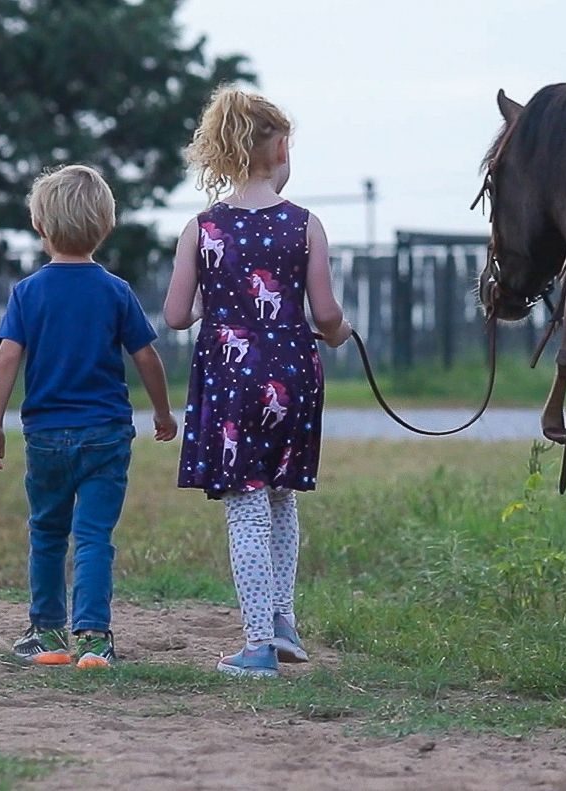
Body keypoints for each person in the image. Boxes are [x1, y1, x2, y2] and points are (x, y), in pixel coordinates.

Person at [165, 87, 351, 677]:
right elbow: (326, 314)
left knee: (244, 506)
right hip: (294, 376)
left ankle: (257, 646)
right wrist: (341, 332)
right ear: (281, 149)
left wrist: (215, 302)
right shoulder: (306, 225)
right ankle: (282, 623)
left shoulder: (202, 229)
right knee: (280, 495)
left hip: (231, 383)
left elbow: (175, 315)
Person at [0, 164, 178, 669]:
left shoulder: (28, 292)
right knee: (93, 536)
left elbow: (7, 357)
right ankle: (93, 639)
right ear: (106, 225)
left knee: (48, 532)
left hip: (46, 435)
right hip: (106, 435)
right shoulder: (115, 291)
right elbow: (146, 357)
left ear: (40, 226)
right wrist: (162, 411)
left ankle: (48, 634)